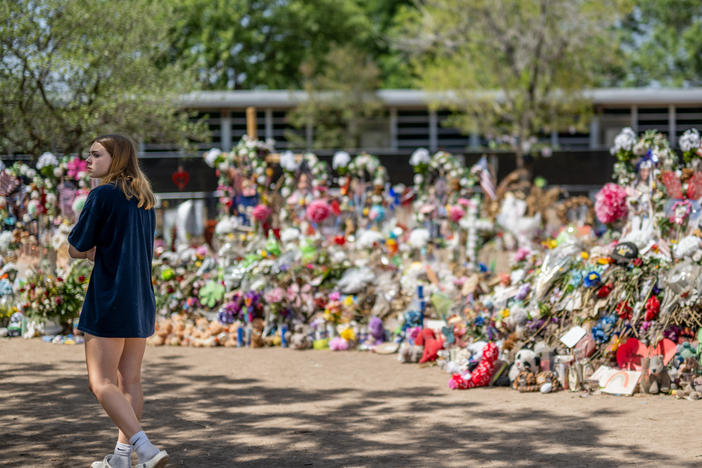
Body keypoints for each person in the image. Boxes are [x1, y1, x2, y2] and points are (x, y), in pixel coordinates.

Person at [68, 134, 168, 468]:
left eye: (96, 154)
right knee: (132, 381)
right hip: (140, 299)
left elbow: (77, 246)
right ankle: (122, 459)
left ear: (117, 158)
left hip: (109, 297)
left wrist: (86, 251)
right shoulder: (145, 199)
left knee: (101, 382)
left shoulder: (102, 195)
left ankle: (146, 449)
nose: (88, 160)